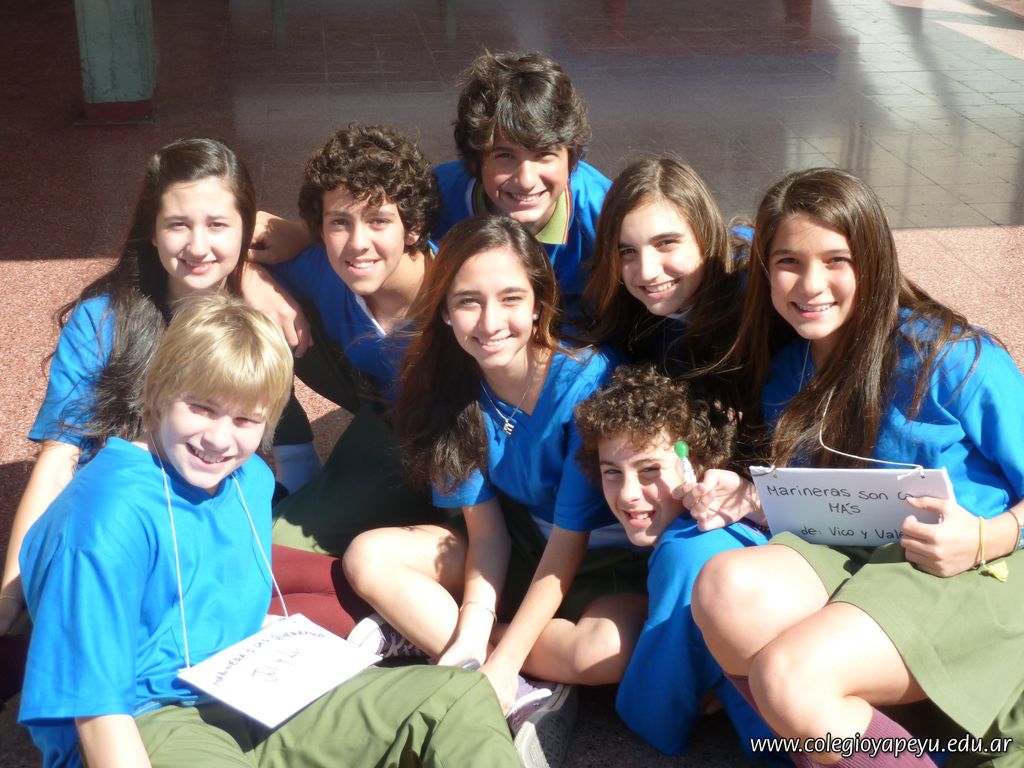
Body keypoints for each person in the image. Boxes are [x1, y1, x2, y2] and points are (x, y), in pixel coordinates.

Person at [18, 293, 521, 768]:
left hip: (246, 686)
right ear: (158, 392)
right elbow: (98, 717)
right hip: (148, 716)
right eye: (201, 407)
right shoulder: (104, 518)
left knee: (455, 698)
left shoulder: (249, 479)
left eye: (245, 419)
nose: (219, 438)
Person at [688, 168, 1024, 767]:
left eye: (836, 260)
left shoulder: (952, 357)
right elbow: (834, 496)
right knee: (723, 591)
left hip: (974, 566)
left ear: (873, 261)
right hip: (861, 553)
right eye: (788, 262)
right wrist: (749, 494)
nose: (810, 284)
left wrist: (987, 536)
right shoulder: (789, 369)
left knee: (790, 677)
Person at [342, 215, 648, 768]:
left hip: (606, 559)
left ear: (539, 304)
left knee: (605, 651)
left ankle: (456, 643)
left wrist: (503, 658)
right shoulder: (447, 386)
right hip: (521, 547)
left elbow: (570, 542)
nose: (490, 322)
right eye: (468, 302)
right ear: (444, 310)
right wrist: (475, 628)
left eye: (510, 298)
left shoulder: (586, 381)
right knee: (369, 556)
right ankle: (504, 674)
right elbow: (488, 534)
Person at [0, 137, 313, 649]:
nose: (198, 246)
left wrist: (254, 275)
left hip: (213, 516)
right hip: (123, 528)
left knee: (334, 577)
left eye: (218, 225)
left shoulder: (254, 317)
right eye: (178, 225)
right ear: (151, 229)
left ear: (245, 229)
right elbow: (59, 460)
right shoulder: (103, 323)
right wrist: (12, 593)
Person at [574, 364, 780, 761]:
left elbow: (655, 716)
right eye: (612, 473)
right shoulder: (751, 527)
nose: (628, 494)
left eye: (650, 470)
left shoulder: (685, 547)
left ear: (695, 466)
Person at [433, 50, 610, 318]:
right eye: (505, 156)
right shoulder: (436, 198)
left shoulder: (605, 213)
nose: (526, 181)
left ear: (571, 158)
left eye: (545, 154)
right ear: (476, 160)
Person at [582, 155, 752, 409]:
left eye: (665, 243)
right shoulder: (623, 313)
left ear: (705, 234)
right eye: (627, 251)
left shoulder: (757, 293)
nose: (647, 272)